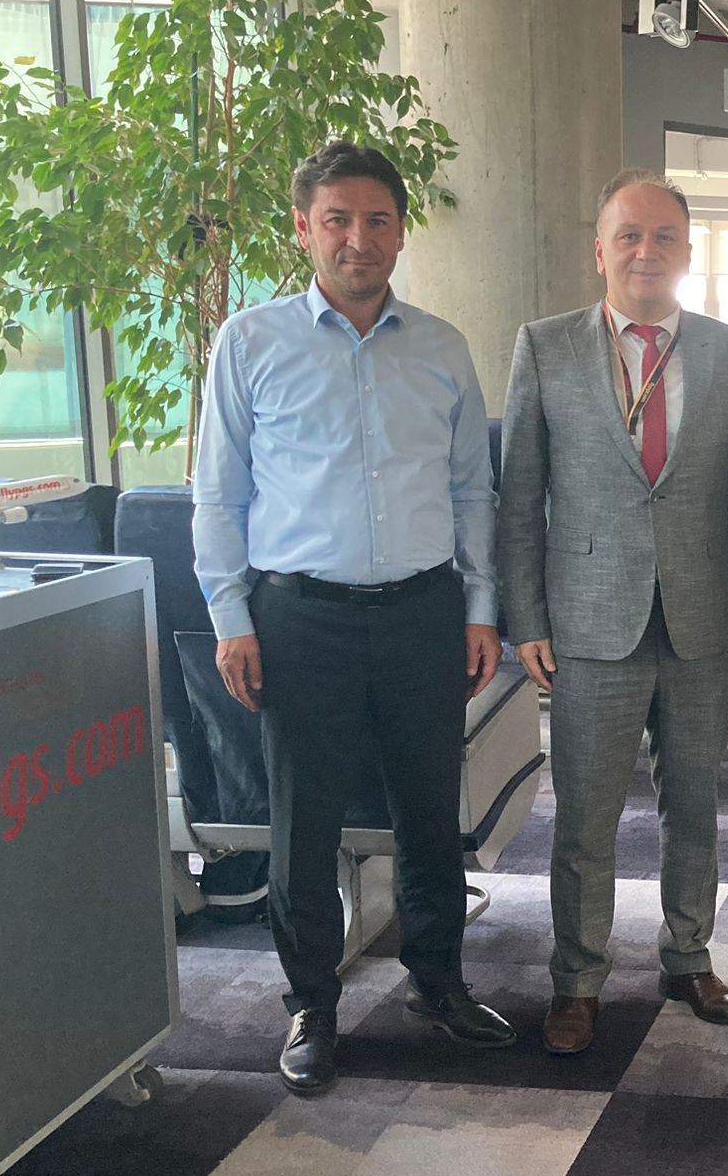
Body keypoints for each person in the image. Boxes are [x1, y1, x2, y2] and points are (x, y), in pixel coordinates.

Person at [193, 141, 516, 1097]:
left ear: (402, 232)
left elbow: (472, 491)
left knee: (430, 811)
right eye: (337, 220)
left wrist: (481, 607)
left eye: (377, 220)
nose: (357, 239)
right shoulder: (249, 342)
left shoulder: (442, 347)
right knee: (305, 821)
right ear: (304, 229)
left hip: (423, 613)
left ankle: (438, 982)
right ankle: (311, 1007)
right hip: (300, 619)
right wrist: (229, 614)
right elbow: (218, 494)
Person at [497, 169, 728, 1055]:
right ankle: (578, 981)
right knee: (585, 818)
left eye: (664, 237)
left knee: (695, 805)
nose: (646, 251)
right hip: (587, 621)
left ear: (687, 252)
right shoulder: (544, 347)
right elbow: (519, 496)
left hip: (702, 619)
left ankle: (688, 958)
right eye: (629, 235)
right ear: (600, 249)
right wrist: (526, 616)